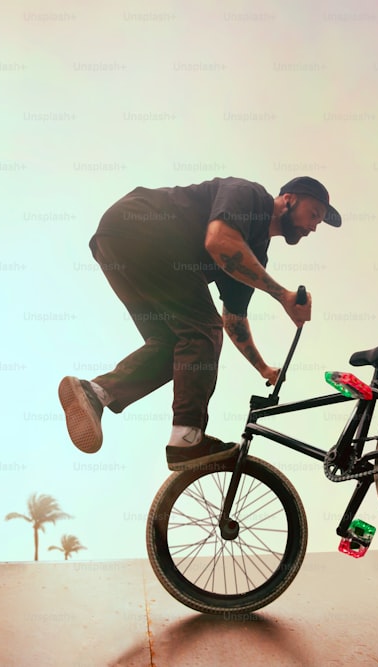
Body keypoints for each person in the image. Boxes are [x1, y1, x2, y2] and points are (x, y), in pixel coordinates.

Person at [59, 176, 342, 470]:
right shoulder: (249, 195)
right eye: (314, 215)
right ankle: (187, 439)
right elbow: (219, 240)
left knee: (175, 347)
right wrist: (282, 295)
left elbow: (233, 320)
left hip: (117, 244)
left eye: (318, 223)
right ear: (289, 198)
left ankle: (97, 392)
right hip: (143, 227)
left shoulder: (254, 254)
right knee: (200, 331)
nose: (313, 226)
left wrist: (263, 368)